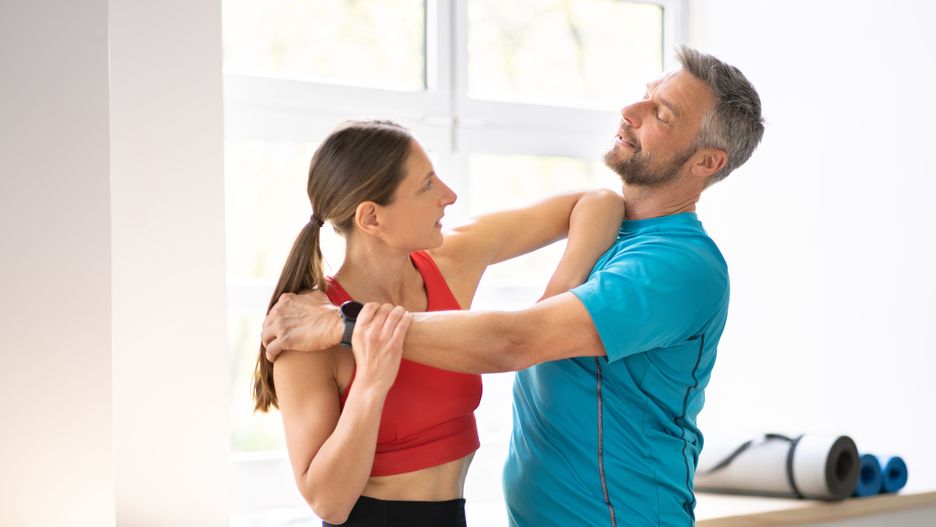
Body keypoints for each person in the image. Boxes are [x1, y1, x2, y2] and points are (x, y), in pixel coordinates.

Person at [262, 46, 765, 526]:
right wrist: (562, 287)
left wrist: (345, 324)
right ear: (370, 216)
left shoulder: (674, 266)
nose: (630, 110)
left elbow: (515, 341)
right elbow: (595, 206)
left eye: (662, 114)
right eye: (646, 94)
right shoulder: (617, 233)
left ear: (707, 162)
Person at [252, 120, 625, 526]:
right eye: (427, 185)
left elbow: (600, 202)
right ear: (372, 218)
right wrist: (371, 384)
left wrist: (551, 304)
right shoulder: (306, 328)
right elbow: (329, 502)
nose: (448, 196)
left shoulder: (450, 262)